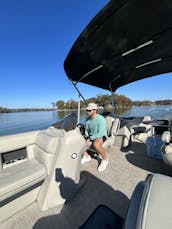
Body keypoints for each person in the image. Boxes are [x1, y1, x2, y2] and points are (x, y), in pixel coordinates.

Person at [81, 103, 108, 172]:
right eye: (87, 110)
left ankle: (105, 160)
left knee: (96, 144)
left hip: (101, 136)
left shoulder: (100, 119)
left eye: (89, 110)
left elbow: (101, 133)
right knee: (78, 140)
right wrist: (87, 136)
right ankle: (86, 156)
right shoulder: (87, 119)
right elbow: (87, 130)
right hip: (91, 135)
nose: (87, 112)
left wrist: (90, 138)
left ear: (95, 110)